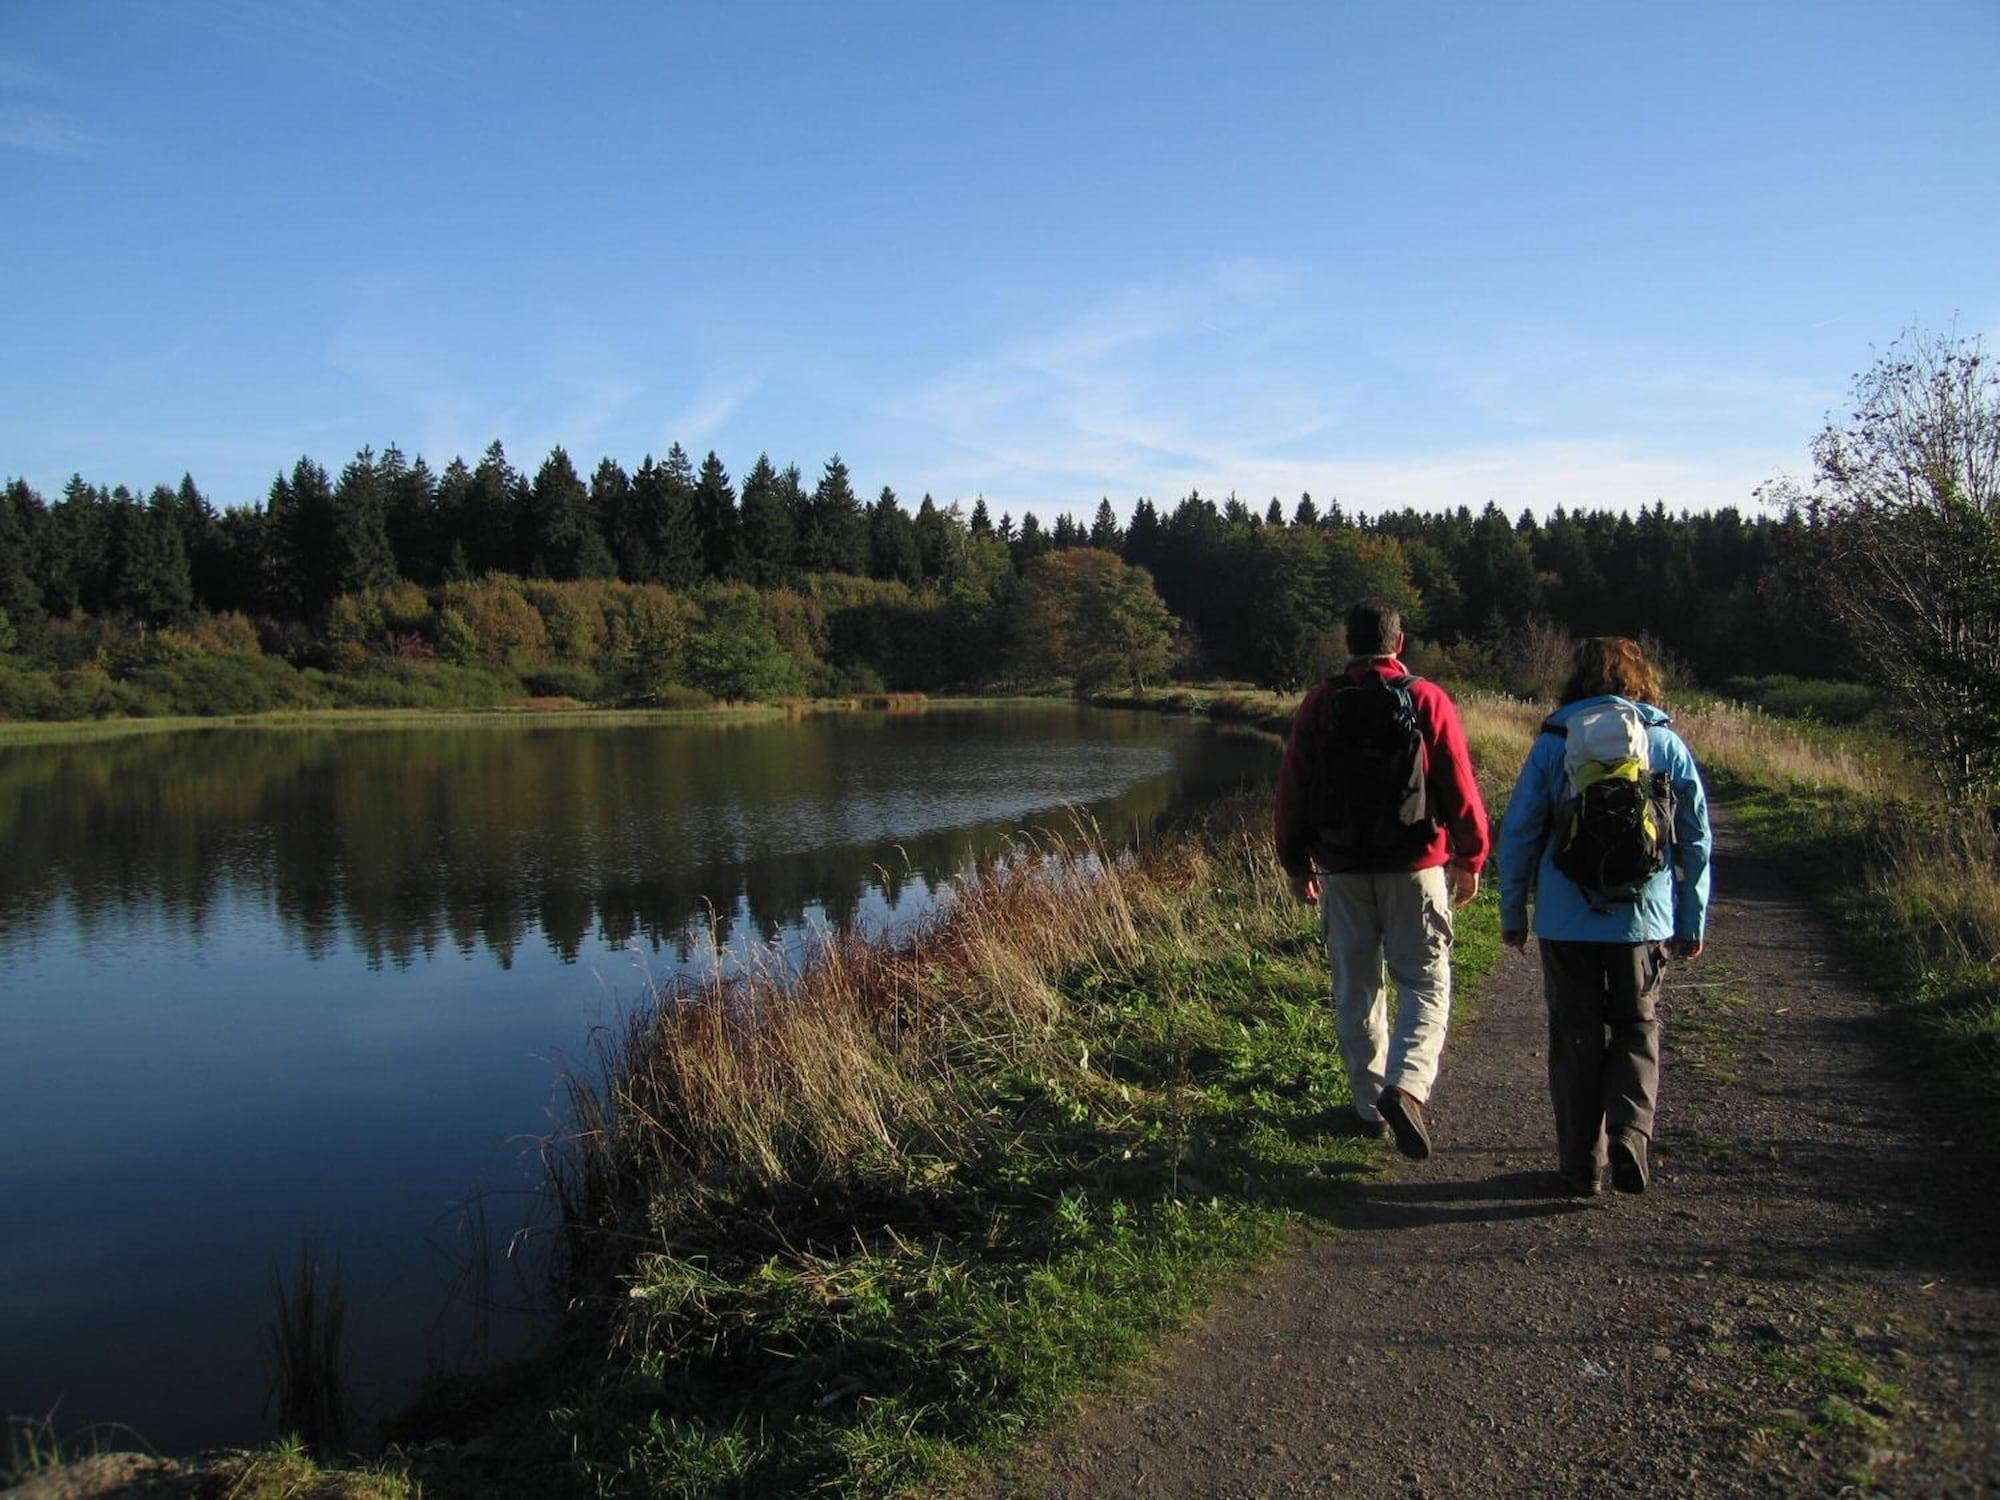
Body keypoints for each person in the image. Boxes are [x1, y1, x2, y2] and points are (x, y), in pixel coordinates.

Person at [1274, 600, 1490, 1159]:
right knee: (1424, 979)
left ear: (1348, 642)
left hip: (1342, 868)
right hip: (1416, 867)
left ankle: (1370, 1107)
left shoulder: (1321, 702)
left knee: (1357, 985)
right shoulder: (1425, 699)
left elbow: (1293, 788)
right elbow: (1458, 783)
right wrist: (1471, 856)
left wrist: (1296, 862)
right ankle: (1409, 1086)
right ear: (1400, 643)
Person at [1497, 636, 1712, 1197]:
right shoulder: (1664, 742)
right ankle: (1630, 1136)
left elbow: (1520, 829)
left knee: (1575, 1036)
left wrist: (1514, 907)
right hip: (1642, 919)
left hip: (1567, 921)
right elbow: (1694, 838)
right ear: (1641, 679)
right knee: (1637, 1027)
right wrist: (1691, 917)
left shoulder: (1555, 742)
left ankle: (1579, 1166)